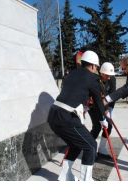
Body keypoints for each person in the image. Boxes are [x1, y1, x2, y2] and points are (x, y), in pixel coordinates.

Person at [48, 50, 109, 181]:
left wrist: (84, 105)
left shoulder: (71, 74)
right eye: (97, 67)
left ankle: (65, 176)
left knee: (76, 144)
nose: (96, 70)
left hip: (53, 114)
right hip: (66, 117)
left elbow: (74, 92)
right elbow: (98, 102)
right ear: (93, 66)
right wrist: (103, 119)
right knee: (91, 145)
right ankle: (86, 181)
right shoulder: (93, 78)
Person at [88, 62, 116, 157]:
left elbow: (113, 94)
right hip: (93, 107)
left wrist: (110, 108)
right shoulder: (95, 80)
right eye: (107, 75)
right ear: (102, 73)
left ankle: (102, 149)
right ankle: (90, 149)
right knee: (97, 127)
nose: (109, 78)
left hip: (107, 107)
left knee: (109, 127)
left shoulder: (112, 78)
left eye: (110, 76)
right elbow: (93, 98)